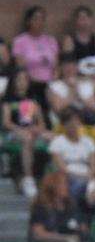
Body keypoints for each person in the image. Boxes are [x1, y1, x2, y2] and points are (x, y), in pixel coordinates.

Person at [2, 68, 49, 198]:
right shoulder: (8, 100)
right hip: (14, 132)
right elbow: (6, 123)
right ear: (14, 82)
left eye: (25, 80)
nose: (22, 83)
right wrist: (20, 129)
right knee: (27, 138)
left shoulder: (33, 100)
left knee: (55, 138)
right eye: (19, 80)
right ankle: (28, 178)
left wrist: (37, 128)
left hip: (32, 130)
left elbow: (41, 122)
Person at [48, 109, 95, 200]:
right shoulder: (57, 142)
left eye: (75, 120)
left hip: (87, 176)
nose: (72, 124)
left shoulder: (88, 141)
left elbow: (94, 165)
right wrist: (82, 176)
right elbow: (62, 168)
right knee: (78, 184)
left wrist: (90, 174)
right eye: (69, 121)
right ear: (63, 124)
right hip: (67, 177)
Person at [12, 6, 59, 85]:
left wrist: (54, 79)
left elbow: (56, 66)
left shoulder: (51, 40)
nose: (39, 22)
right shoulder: (19, 41)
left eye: (42, 19)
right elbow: (20, 68)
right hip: (30, 84)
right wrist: (36, 82)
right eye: (36, 19)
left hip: (50, 83)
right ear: (28, 21)